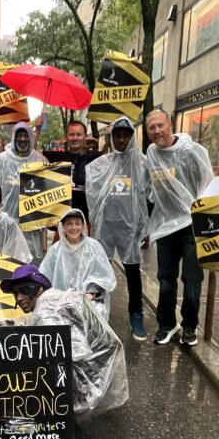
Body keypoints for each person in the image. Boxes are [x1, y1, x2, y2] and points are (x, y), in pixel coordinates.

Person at [0, 264, 128, 417]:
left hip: (88, 376)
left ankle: (67, 413)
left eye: (24, 290)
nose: (19, 298)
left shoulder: (45, 309)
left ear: (39, 288)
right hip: (103, 363)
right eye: (15, 293)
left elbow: (67, 353)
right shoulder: (55, 297)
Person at [145, 109, 214, 347]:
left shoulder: (190, 152)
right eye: (151, 127)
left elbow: (207, 185)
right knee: (165, 279)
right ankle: (166, 324)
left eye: (160, 125)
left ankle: (189, 327)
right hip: (165, 226)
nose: (156, 131)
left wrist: (212, 223)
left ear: (170, 125)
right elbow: (153, 191)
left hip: (192, 226)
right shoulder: (151, 153)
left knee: (192, 278)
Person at [85, 116, 150, 341]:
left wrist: (145, 228)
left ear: (132, 137)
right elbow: (91, 188)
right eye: (117, 135)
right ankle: (97, 313)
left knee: (133, 273)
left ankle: (136, 315)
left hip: (129, 228)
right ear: (112, 138)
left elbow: (148, 196)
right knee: (99, 271)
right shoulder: (102, 163)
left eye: (126, 135)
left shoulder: (143, 163)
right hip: (106, 226)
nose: (121, 139)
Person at [0, 122, 48, 262]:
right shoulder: (2, 160)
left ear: (30, 137)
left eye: (25, 136)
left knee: (28, 263)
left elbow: (51, 190)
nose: (22, 139)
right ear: (14, 137)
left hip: (31, 227)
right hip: (4, 224)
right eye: (19, 135)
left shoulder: (40, 161)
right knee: (4, 264)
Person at [39, 208, 116, 320]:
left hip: (88, 298)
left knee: (96, 314)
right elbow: (44, 275)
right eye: (69, 224)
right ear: (63, 227)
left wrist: (90, 294)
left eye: (77, 223)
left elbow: (104, 276)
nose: (74, 228)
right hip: (61, 301)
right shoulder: (55, 250)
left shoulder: (94, 246)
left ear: (83, 226)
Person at [43, 121, 101, 229]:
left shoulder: (96, 158)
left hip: (87, 222)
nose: (75, 138)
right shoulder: (57, 158)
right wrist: (37, 130)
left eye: (79, 134)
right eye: (71, 134)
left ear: (85, 137)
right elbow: (32, 157)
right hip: (62, 223)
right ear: (66, 137)